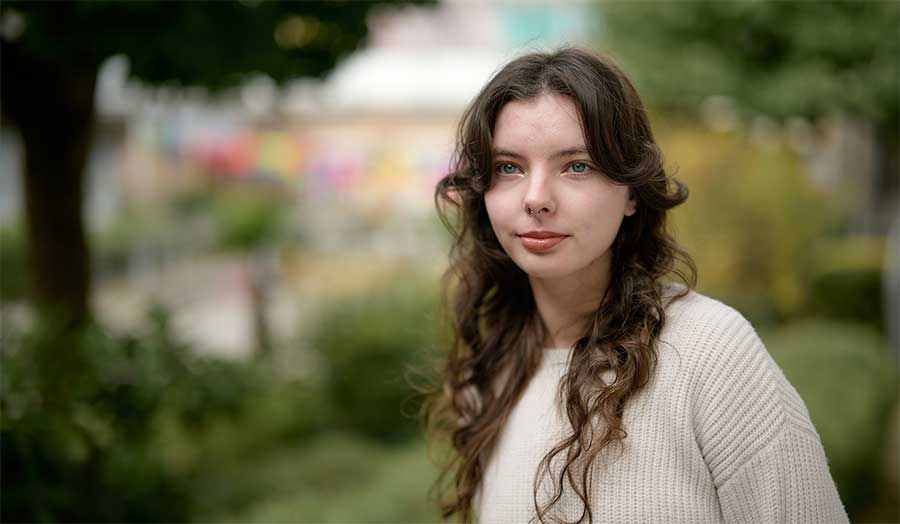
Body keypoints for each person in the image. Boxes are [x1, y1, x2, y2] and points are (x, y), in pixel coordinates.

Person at [426, 47, 849, 524]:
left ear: (632, 191)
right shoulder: (495, 371)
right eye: (509, 167)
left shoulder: (711, 354)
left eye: (577, 165)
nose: (536, 198)